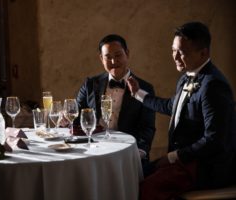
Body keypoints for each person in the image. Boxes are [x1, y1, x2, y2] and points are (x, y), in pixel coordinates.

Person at [127, 22, 236, 200]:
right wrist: (138, 94)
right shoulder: (186, 77)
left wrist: (173, 157)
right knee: (136, 175)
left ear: (203, 53)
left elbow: (214, 140)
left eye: (182, 52)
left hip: (207, 167)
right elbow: (172, 107)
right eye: (173, 50)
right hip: (186, 160)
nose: (175, 57)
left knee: (147, 188)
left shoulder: (213, 86)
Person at [76, 34, 156, 163]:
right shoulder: (90, 84)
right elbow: (76, 114)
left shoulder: (144, 88)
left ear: (127, 54)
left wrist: (140, 151)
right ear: (101, 59)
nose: (113, 62)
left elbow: (147, 127)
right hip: (93, 151)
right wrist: (65, 119)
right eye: (108, 57)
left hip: (127, 153)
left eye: (118, 55)